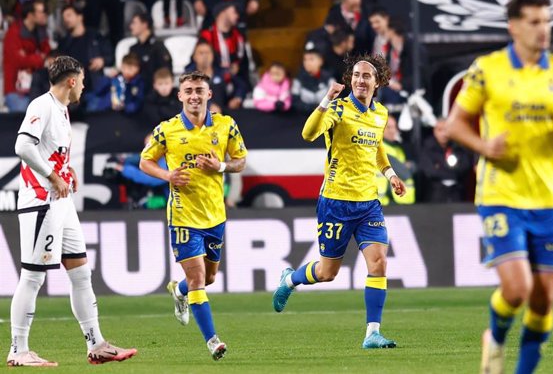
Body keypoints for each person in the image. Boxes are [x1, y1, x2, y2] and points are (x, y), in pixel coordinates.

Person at [445, 0, 553, 374]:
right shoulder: (487, 68)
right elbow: (454, 125)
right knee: (517, 290)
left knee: (544, 302)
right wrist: (484, 145)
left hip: (548, 197)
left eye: (546, 21)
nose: (542, 29)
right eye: (534, 21)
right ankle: (494, 338)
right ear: (513, 26)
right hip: (501, 193)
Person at [8, 55, 137, 367]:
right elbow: (23, 147)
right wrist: (53, 176)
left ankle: (97, 344)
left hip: (61, 203)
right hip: (41, 201)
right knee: (33, 276)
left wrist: (65, 170)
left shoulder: (62, 110)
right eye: (82, 80)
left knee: (81, 273)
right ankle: (18, 350)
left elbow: (50, 152)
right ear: (71, 80)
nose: (84, 85)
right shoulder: (42, 105)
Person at [272, 54, 406, 349]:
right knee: (327, 272)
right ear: (350, 80)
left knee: (379, 263)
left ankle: (372, 333)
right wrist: (324, 100)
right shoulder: (338, 109)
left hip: (368, 202)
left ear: (378, 82)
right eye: (356, 75)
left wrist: (391, 174)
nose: (360, 79)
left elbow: (377, 147)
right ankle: (290, 280)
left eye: (366, 75)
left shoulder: (380, 114)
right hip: (336, 201)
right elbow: (308, 134)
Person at [139, 71, 248, 361]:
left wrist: (221, 167)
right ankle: (213, 340)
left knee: (209, 278)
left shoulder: (225, 125)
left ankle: (179, 289)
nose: (194, 96)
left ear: (209, 94)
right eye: (188, 91)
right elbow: (144, 161)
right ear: (180, 96)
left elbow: (241, 161)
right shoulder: (167, 130)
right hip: (183, 216)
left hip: (215, 215)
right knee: (199, 277)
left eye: (199, 90)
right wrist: (167, 175)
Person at [2, 0, 50, 112]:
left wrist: (30, 58)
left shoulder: (41, 32)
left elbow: (48, 54)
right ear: (30, 15)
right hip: (16, 91)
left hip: (38, 88)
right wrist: (39, 58)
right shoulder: (13, 33)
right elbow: (18, 61)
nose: (45, 14)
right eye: (41, 12)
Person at [418, 118, 473, 203]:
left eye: (446, 130)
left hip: (456, 192)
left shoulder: (458, 147)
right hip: (435, 193)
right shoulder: (427, 148)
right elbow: (430, 171)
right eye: (440, 130)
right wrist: (452, 171)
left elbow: (465, 166)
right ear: (434, 131)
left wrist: (440, 167)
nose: (443, 134)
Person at [128, 11, 173, 90]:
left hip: (155, 93)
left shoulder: (158, 47)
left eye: (134, 23)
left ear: (144, 25)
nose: (131, 26)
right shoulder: (133, 49)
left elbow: (166, 72)